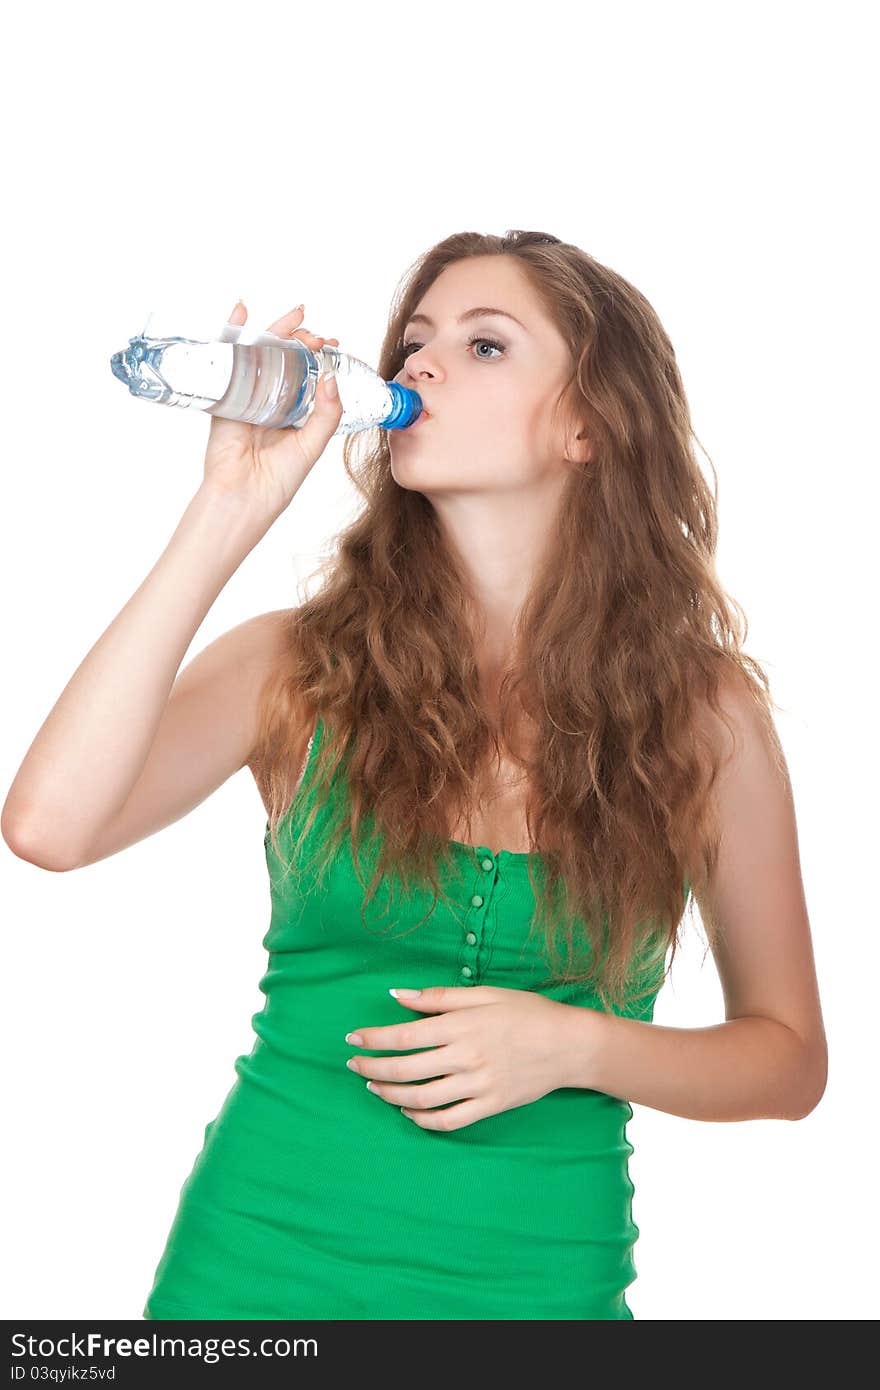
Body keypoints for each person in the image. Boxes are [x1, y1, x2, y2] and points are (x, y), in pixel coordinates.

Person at [1, 229, 827, 1320]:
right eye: (415, 342)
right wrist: (229, 509)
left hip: (539, 1288)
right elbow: (49, 827)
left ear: (588, 423)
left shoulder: (703, 717)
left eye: (485, 346)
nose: (418, 366)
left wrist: (577, 1044)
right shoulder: (297, 667)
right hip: (254, 1277)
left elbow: (785, 1060)